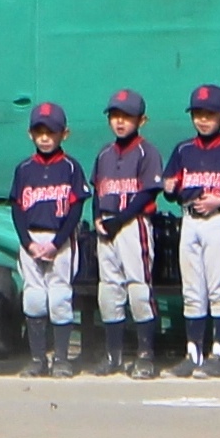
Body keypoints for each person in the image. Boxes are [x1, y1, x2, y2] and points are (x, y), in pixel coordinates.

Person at [160, 85, 220, 379]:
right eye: (198, 113)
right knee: (192, 291)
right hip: (189, 221)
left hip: (218, 220)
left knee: (218, 290)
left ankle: (219, 355)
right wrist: (174, 190)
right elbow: (170, 190)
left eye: (210, 114)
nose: (203, 120)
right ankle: (193, 354)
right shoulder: (183, 149)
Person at [10, 101, 88, 378]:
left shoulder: (70, 167)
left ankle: (63, 359)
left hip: (60, 240)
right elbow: (17, 209)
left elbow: (76, 209)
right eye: (39, 131)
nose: (45, 138)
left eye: (51, 132)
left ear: (64, 134)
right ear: (30, 133)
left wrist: (57, 243)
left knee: (59, 297)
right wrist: (27, 243)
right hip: (31, 239)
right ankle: (37, 359)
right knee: (33, 297)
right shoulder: (24, 169)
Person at [89, 89, 164, 379]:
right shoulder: (105, 153)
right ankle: (113, 355)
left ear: (141, 120)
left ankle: (146, 355)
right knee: (108, 289)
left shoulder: (147, 151)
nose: (120, 122)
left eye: (127, 117)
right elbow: (98, 190)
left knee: (138, 286)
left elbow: (147, 193)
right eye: (115, 116)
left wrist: (119, 220)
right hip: (106, 224)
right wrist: (97, 217)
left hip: (133, 224)